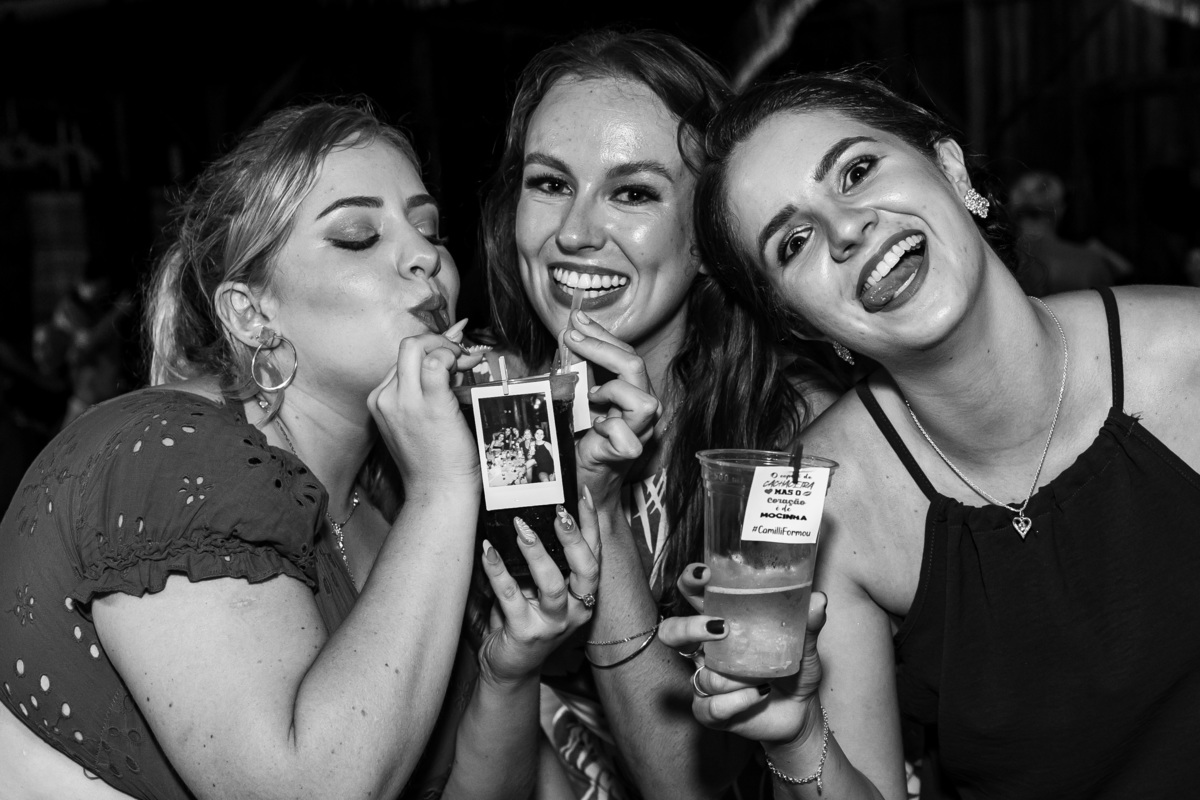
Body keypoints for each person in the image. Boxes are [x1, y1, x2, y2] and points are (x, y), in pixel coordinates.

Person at [0, 101, 608, 800]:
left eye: (430, 229)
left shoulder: (390, 509)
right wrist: (445, 486)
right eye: (358, 236)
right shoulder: (166, 450)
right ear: (251, 312)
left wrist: (511, 668)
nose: (427, 258)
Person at [662, 69, 1200, 799]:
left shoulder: (1190, 352)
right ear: (797, 321)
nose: (846, 229)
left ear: (951, 170)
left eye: (857, 171)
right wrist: (794, 734)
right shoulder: (798, 500)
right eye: (794, 241)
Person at [480, 28, 847, 799]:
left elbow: (692, 785)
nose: (574, 233)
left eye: (633, 192)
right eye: (550, 182)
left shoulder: (787, 443)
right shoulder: (492, 413)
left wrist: (602, 509)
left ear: (709, 237)